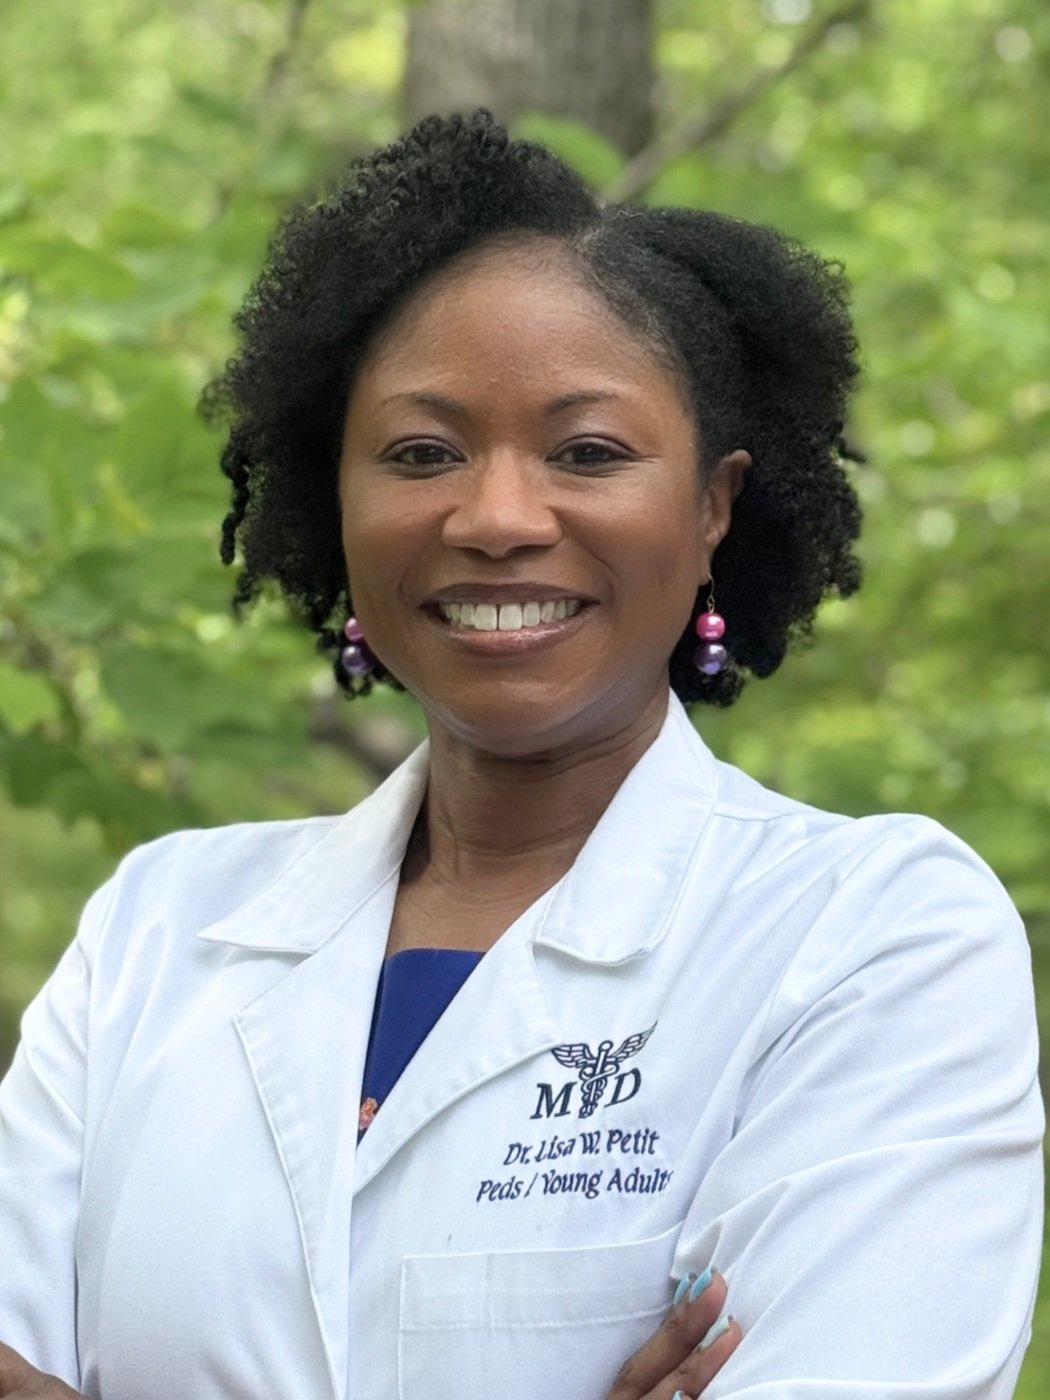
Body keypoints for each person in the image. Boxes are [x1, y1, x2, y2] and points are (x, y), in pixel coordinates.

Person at [0, 110, 1042, 1400]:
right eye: (422, 453)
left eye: (588, 452)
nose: (495, 517)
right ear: (337, 496)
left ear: (713, 505)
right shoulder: (152, 934)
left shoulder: (875, 935)